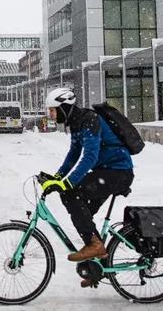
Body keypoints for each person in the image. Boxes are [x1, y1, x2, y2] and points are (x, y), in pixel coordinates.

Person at [40, 87, 134, 287]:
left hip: (118, 172)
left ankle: (96, 246)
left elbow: (89, 157)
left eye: (53, 110)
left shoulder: (89, 120)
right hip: (106, 172)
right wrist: (57, 177)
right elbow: (74, 154)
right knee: (81, 213)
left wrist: (67, 183)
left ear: (65, 107)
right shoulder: (76, 123)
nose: (50, 114)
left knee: (72, 196)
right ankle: (97, 265)